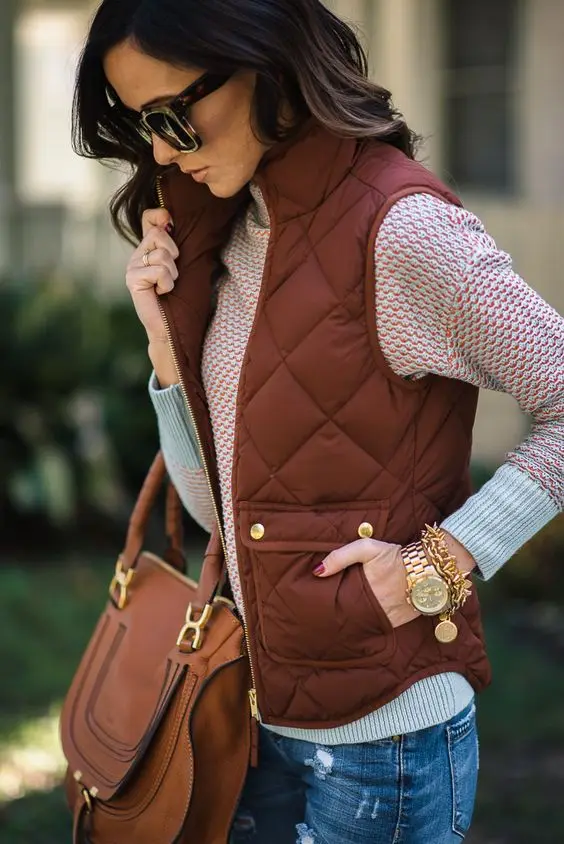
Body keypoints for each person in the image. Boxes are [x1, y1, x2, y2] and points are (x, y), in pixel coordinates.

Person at [74, 1, 564, 841]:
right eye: (140, 124)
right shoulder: (232, 232)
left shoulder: (402, 229)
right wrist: (165, 347)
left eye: (171, 117)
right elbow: (215, 515)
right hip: (251, 719)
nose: (159, 152)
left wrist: (441, 561)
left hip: (386, 746)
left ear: (262, 62)